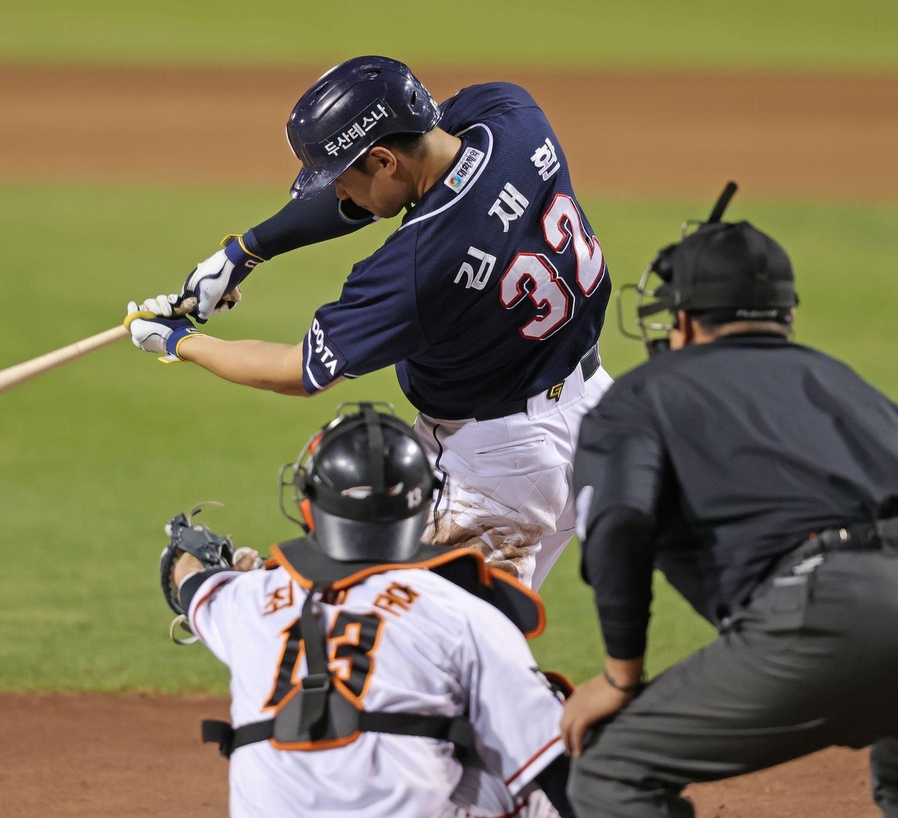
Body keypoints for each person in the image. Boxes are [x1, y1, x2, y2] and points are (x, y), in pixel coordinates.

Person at [126, 55, 612, 587]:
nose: (336, 193)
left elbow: (299, 370)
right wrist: (246, 250)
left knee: (409, 643)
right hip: (595, 412)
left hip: (499, 464)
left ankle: (229, 600)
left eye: (340, 178)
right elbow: (403, 165)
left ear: (382, 161)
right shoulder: (511, 116)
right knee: (467, 637)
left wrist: (182, 342)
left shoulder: (419, 266)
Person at [557, 185, 898, 817]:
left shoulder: (644, 394)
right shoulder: (847, 384)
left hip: (828, 612)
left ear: (682, 320)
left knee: (612, 770)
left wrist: (619, 675)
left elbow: (619, 525)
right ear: (785, 317)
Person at [159, 403, 576, 818]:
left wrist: (189, 552)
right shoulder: (462, 613)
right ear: (423, 507)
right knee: (534, 779)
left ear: (309, 505)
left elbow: (192, 581)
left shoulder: (246, 600)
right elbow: (560, 765)